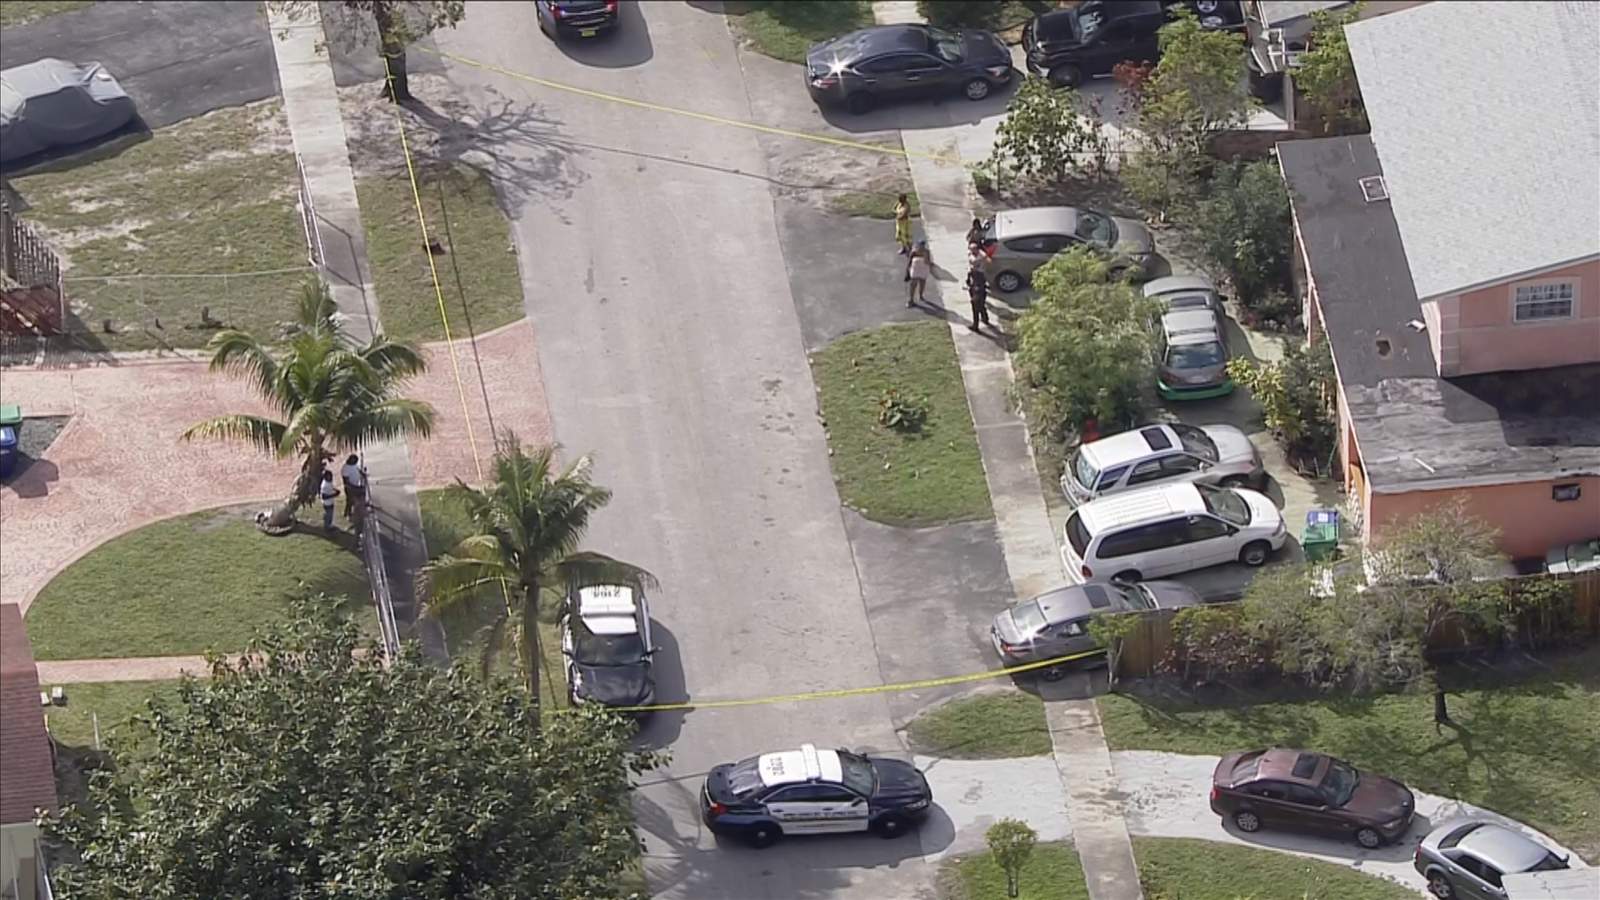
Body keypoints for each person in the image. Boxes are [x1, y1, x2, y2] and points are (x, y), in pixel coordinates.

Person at [966, 261, 992, 333]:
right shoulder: (971, 273)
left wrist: (976, 292)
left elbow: (983, 284)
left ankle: (975, 326)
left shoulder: (979, 275)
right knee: (981, 307)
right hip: (976, 292)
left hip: (979, 293)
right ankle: (985, 319)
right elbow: (968, 281)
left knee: (976, 310)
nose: (972, 267)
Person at [341, 453, 366, 521]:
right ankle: (348, 514)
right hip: (350, 488)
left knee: (353, 501)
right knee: (350, 501)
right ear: (350, 460)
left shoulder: (354, 465)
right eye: (353, 460)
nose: (354, 462)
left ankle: (348, 512)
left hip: (356, 485)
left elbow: (358, 469)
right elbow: (346, 481)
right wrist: (354, 487)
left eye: (355, 461)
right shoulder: (345, 468)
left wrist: (363, 473)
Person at [907, 242, 931, 307]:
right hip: (915, 269)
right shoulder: (914, 252)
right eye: (920, 246)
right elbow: (909, 261)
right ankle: (911, 299)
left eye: (923, 246)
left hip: (923, 269)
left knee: (922, 283)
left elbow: (927, 262)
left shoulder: (927, 252)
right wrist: (907, 271)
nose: (921, 247)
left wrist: (925, 256)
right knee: (913, 284)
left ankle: (921, 295)